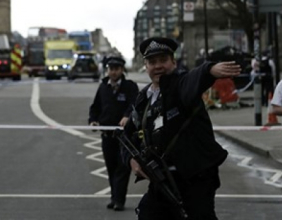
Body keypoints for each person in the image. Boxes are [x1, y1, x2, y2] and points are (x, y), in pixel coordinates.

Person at [121, 37, 241, 219]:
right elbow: (127, 136)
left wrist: (209, 70)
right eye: (152, 62)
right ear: (145, 66)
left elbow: (193, 79)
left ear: (174, 62)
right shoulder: (143, 98)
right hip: (162, 179)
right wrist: (131, 160)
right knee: (147, 213)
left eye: (163, 60)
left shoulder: (180, 85)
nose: (158, 66)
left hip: (195, 178)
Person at [88, 55, 138, 211]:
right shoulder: (104, 86)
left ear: (122, 70)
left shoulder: (130, 86)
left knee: (123, 168)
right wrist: (93, 120)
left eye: (116, 69)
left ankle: (119, 200)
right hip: (107, 135)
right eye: (111, 69)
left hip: (124, 137)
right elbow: (95, 107)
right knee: (111, 168)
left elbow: (135, 104)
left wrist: (127, 116)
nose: (113, 72)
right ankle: (114, 197)